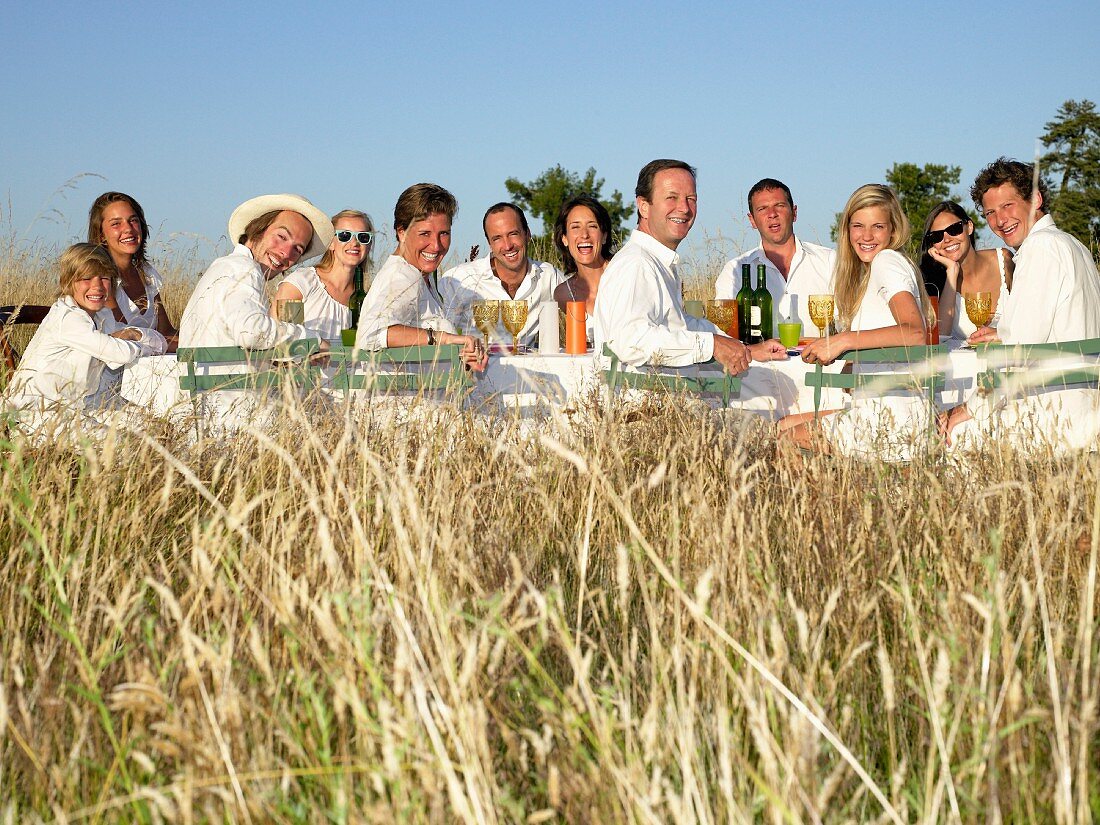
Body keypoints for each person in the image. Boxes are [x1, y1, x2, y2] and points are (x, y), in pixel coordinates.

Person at [940, 158, 1100, 452]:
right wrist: (1003, 333)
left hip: (1054, 411)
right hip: (1088, 404)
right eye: (990, 212)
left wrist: (969, 408)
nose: (1000, 220)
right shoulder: (1073, 245)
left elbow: (1020, 352)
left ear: (1035, 199)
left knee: (953, 431)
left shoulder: (1040, 248)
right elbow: (1047, 328)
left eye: (1008, 205)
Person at [778, 184, 934, 459]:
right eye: (858, 226)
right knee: (783, 425)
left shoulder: (887, 261)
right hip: (879, 405)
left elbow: (914, 333)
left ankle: (819, 503)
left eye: (878, 227)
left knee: (788, 439)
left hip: (892, 417)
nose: (866, 236)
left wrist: (844, 340)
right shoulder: (874, 270)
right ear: (847, 230)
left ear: (893, 230)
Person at [593, 159, 785, 373]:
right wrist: (712, 345)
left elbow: (680, 326)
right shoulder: (637, 264)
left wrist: (743, 348)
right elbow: (632, 341)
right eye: (671, 198)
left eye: (690, 199)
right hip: (643, 403)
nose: (684, 208)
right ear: (644, 206)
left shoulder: (658, 262)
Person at [3, 244, 167, 439]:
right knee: (120, 443)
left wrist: (133, 334)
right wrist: (120, 342)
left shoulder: (102, 315)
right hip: (39, 412)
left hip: (86, 403)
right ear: (68, 282)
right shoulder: (67, 317)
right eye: (86, 278)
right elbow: (120, 353)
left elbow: (159, 342)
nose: (97, 286)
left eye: (104, 278)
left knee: (155, 427)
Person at [355, 184, 487, 371]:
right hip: (403, 398)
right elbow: (371, 333)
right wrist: (445, 338)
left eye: (444, 234)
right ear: (401, 232)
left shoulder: (420, 275)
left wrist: (460, 354)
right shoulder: (401, 277)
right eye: (424, 233)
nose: (435, 245)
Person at [178, 193, 333, 350]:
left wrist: (293, 353)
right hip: (226, 374)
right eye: (281, 236)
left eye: (297, 249)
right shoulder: (243, 269)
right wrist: (312, 340)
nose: (286, 253)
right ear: (258, 229)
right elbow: (251, 333)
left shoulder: (228, 266)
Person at [715, 178, 834, 336]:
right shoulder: (735, 271)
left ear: (794, 213)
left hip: (818, 361)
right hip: (759, 361)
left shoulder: (829, 261)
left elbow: (850, 323)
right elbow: (723, 335)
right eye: (762, 209)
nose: (772, 214)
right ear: (752, 220)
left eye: (779, 205)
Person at [438, 202, 562, 348]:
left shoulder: (548, 276)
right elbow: (439, 337)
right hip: (475, 368)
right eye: (497, 238)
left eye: (513, 234)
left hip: (529, 369)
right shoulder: (459, 279)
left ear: (527, 234)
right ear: (489, 243)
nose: (508, 245)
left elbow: (584, 309)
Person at [87, 192, 179, 350]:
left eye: (133, 220)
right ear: (101, 235)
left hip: (149, 364)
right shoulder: (100, 278)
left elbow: (166, 331)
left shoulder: (147, 273)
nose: (128, 229)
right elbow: (123, 337)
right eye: (116, 224)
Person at [271, 209, 374, 339]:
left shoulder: (367, 298)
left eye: (363, 237)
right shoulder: (303, 283)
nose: (354, 243)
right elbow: (281, 339)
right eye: (345, 236)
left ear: (369, 245)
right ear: (331, 243)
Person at [918, 201, 1013, 339]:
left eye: (954, 229)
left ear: (969, 227)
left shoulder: (1003, 260)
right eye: (937, 236)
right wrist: (952, 271)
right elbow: (941, 336)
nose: (947, 239)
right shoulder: (935, 282)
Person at [552, 194, 614, 341]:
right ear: (564, 239)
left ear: (604, 236)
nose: (584, 235)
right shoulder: (563, 294)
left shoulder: (624, 274)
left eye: (592, 226)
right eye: (575, 227)